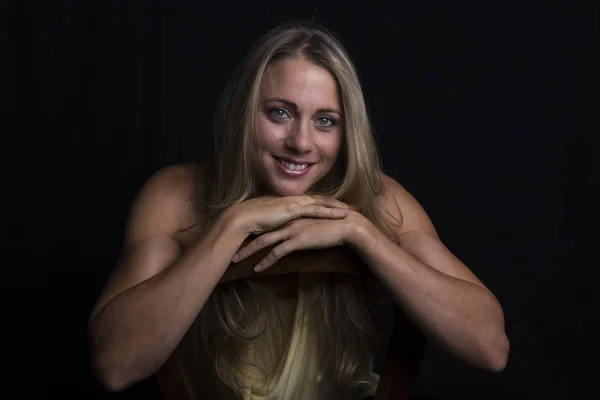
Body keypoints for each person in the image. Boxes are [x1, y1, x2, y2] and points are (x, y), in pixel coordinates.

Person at [88, 21, 509, 399]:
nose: (301, 142)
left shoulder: (381, 199)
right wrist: (234, 224)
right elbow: (115, 367)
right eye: (279, 113)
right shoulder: (174, 197)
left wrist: (360, 233)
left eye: (325, 121)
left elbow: (489, 348)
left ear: (347, 131)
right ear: (242, 114)